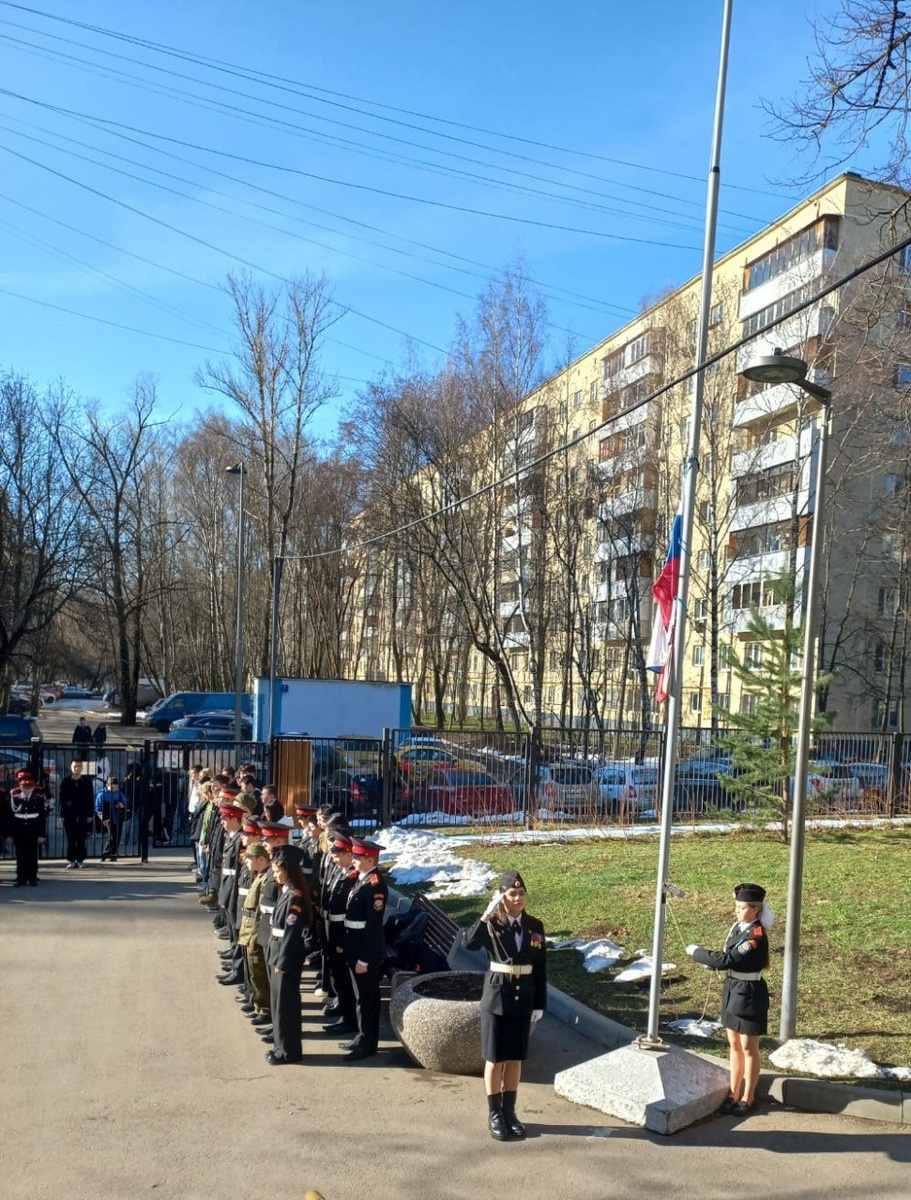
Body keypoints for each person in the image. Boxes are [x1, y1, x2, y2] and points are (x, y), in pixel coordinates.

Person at [462, 870, 547, 1141]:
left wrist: (539, 1003)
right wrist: (485, 915)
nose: (518, 898)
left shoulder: (534, 926)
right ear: (502, 897)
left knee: (514, 1058)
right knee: (496, 1058)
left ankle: (510, 1111)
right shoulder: (492, 924)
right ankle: (495, 1114)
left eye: (522, 893)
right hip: (498, 998)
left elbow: (540, 967)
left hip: (524, 998)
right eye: (512, 894)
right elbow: (469, 943)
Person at [686, 882, 773, 1115]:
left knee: (748, 1047)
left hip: (749, 993)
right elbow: (728, 959)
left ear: (755, 909)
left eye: (742, 907)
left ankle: (748, 1096)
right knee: (734, 1044)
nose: (737, 911)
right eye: (737, 907)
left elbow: (728, 959)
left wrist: (697, 953)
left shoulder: (755, 936)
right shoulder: (738, 928)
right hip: (733, 989)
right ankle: (734, 1093)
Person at [265, 843, 315, 1065]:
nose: (275, 875)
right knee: (277, 1003)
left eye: (278, 871)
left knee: (286, 1006)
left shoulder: (295, 897)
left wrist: (282, 962)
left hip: (286, 956)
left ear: (288, 870)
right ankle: (279, 1045)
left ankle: (288, 1051)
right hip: (276, 951)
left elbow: (292, 934)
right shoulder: (286, 892)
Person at [341, 837, 388, 1062]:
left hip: (364, 951)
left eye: (357, 857)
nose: (353, 860)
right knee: (360, 996)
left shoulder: (375, 885)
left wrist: (365, 959)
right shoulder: (361, 879)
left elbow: (373, 927)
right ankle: (362, 1036)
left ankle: (368, 1044)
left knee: (367, 998)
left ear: (370, 860)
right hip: (354, 945)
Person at [3, 768, 50, 886]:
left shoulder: (38, 799)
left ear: (33, 787)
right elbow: (10, 817)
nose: (27, 789)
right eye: (24, 787)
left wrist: (41, 834)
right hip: (19, 831)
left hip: (33, 830)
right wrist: (9, 834)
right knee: (20, 855)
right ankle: (21, 877)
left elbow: (42, 818)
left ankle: (32, 876)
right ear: (20, 786)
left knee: (32, 854)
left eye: (29, 787)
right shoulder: (15, 798)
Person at [59, 760, 95, 868]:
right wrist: (62, 815)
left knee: (81, 838)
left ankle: (80, 860)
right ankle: (71, 860)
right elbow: (62, 800)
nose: (77, 769)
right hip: (69, 814)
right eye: (75, 766)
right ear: (70, 767)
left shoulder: (86, 782)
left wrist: (90, 814)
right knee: (70, 838)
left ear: (82, 768)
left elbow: (90, 799)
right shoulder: (66, 782)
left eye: (79, 766)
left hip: (82, 814)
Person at [95, 777, 127, 861]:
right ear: (107, 785)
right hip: (108, 818)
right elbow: (98, 808)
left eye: (115, 788)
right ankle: (105, 854)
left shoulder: (119, 793)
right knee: (111, 837)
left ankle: (113, 855)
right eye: (112, 788)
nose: (114, 790)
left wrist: (122, 805)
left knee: (117, 837)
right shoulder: (102, 794)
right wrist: (103, 818)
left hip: (118, 817)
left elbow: (125, 802)